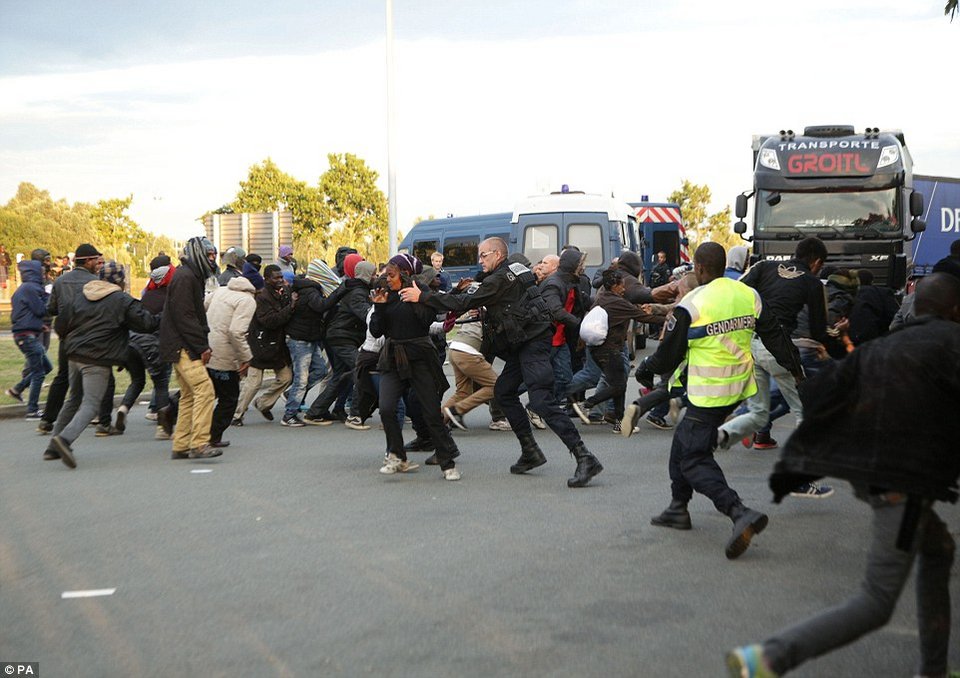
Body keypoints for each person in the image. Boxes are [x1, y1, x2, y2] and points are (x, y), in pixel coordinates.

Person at [726, 272, 960, 678]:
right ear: (956, 311)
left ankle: (935, 669)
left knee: (938, 549)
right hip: (900, 486)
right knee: (876, 601)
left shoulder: (885, 346)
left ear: (916, 306)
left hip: (874, 476)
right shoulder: (951, 345)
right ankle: (767, 659)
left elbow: (826, 395)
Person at [635, 242, 803, 559]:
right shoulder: (747, 294)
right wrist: (795, 367)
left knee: (694, 459)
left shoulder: (693, 304)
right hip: (738, 387)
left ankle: (739, 512)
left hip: (708, 392)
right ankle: (677, 507)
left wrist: (644, 371)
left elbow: (667, 356)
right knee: (683, 442)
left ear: (698, 269)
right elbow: (775, 335)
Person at [399, 237, 603, 488]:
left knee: (541, 401)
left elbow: (463, 303)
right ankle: (530, 452)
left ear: (497, 254)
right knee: (504, 392)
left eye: (483, 255)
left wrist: (423, 296)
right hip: (525, 341)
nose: (479, 260)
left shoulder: (497, 279)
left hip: (533, 343)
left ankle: (585, 457)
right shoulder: (515, 270)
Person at [715, 237, 834, 499]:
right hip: (777, 349)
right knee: (803, 411)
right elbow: (817, 329)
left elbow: (738, 292)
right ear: (816, 262)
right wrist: (824, 343)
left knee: (759, 413)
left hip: (750, 347)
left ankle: (718, 438)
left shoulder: (764, 267)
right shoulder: (812, 283)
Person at [43, 261, 158, 468]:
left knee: (74, 399)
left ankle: (53, 446)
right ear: (120, 280)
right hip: (97, 358)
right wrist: (163, 315)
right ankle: (64, 439)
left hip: (73, 354)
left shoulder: (81, 296)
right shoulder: (121, 300)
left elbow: (60, 323)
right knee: (91, 404)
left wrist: (71, 340)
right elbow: (146, 323)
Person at [371, 254, 461, 480]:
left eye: (390, 275)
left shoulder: (421, 292)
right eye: (385, 274)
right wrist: (379, 308)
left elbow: (425, 321)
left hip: (420, 356)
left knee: (430, 411)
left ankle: (448, 463)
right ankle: (397, 456)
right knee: (387, 408)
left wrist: (417, 299)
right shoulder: (385, 293)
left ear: (404, 273)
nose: (387, 279)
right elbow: (375, 332)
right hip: (393, 358)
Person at [159, 237, 222, 460]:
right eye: (209, 255)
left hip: (180, 344)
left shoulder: (189, 275)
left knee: (188, 395)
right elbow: (185, 316)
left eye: (214, 255)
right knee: (205, 390)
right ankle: (199, 443)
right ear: (198, 254)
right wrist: (201, 346)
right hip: (183, 346)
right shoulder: (186, 277)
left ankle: (182, 444)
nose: (213, 260)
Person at [36, 243, 103, 435]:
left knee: (62, 377)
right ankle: (101, 418)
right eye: (95, 260)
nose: (98, 264)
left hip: (67, 336)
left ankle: (47, 419)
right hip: (89, 336)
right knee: (96, 376)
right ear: (88, 261)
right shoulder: (94, 282)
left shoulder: (61, 281)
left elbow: (52, 308)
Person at [570, 268, 647, 433]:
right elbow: (643, 317)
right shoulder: (616, 302)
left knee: (619, 386)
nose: (624, 289)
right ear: (614, 286)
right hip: (611, 351)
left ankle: (619, 424)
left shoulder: (602, 297)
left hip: (604, 349)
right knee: (618, 386)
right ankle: (586, 404)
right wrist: (670, 317)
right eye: (622, 285)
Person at [304, 253, 371, 425]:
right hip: (342, 337)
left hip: (339, 336)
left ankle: (315, 412)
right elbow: (366, 315)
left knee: (341, 375)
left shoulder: (349, 286)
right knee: (360, 369)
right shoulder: (355, 290)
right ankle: (355, 415)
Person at [280, 260, 343, 427]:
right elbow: (321, 306)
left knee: (320, 370)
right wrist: (338, 293)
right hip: (301, 339)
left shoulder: (308, 288)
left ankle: (292, 395)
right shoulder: (310, 290)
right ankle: (289, 414)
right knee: (302, 379)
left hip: (309, 337)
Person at [234, 265, 295, 425]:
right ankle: (237, 415)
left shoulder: (282, 293)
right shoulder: (262, 297)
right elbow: (269, 321)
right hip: (260, 344)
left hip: (276, 345)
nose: (280, 280)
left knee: (286, 378)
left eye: (281, 277)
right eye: (276, 278)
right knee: (253, 383)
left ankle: (263, 403)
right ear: (267, 279)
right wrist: (290, 308)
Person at [204, 274, 256, 447]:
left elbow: (202, 307)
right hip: (225, 353)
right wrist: (246, 357)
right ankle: (213, 435)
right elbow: (236, 332)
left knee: (203, 391)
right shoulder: (247, 301)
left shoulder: (220, 290)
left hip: (207, 347)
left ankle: (171, 410)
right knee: (229, 398)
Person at [6, 258, 53, 418]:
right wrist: (48, 297)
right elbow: (40, 310)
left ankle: (17, 389)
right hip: (27, 336)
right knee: (39, 372)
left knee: (46, 367)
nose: (43, 274)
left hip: (25, 334)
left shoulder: (24, 289)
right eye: (41, 271)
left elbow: (23, 314)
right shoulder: (31, 289)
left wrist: (39, 327)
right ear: (34, 272)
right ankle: (32, 410)